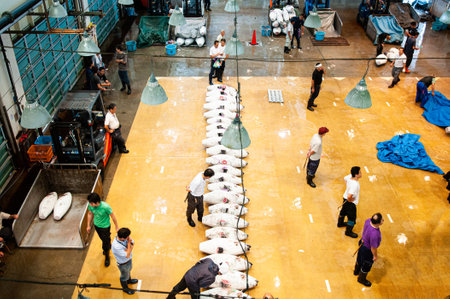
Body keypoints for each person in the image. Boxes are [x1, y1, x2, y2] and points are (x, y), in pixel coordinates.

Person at [86, 192, 119, 267]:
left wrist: (116, 226)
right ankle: (108, 243)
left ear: (96, 202)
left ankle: (107, 255)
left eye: (91, 203)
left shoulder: (105, 207)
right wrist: (88, 225)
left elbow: (112, 216)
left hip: (105, 227)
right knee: (104, 239)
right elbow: (90, 214)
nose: (90, 205)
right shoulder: (91, 206)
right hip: (97, 226)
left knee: (105, 243)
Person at [353, 213, 384, 287]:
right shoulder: (375, 234)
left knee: (359, 259)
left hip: (362, 243)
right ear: (378, 223)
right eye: (382, 220)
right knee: (367, 264)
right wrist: (375, 256)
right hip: (367, 249)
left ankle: (356, 271)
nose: (383, 220)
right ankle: (361, 279)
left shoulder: (368, 221)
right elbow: (373, 248)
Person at [111, 228, 139, 295]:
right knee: (124, 276)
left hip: (128, 260)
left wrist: (129, 248)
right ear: (123, 238)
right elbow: (127, 254)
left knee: (129, 271)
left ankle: (129, 281)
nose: (129, 237)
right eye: (127, 237)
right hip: (123, 264)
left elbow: (133, 243)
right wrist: (129, 244)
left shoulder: (125, 238)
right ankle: (125, 288)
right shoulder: (116, 246)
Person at [337, 166, 362, 238]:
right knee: (352, 218)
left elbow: (345, 178)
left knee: (343, 211)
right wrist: (350, 200)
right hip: (350, 203)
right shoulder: (355, 185)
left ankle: (340, 223)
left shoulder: (350, 176)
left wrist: (348, 186)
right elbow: (349, 196)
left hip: (344, 198)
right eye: (360, 172)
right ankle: (348, 232)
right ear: (356, 175)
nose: (361, 173)